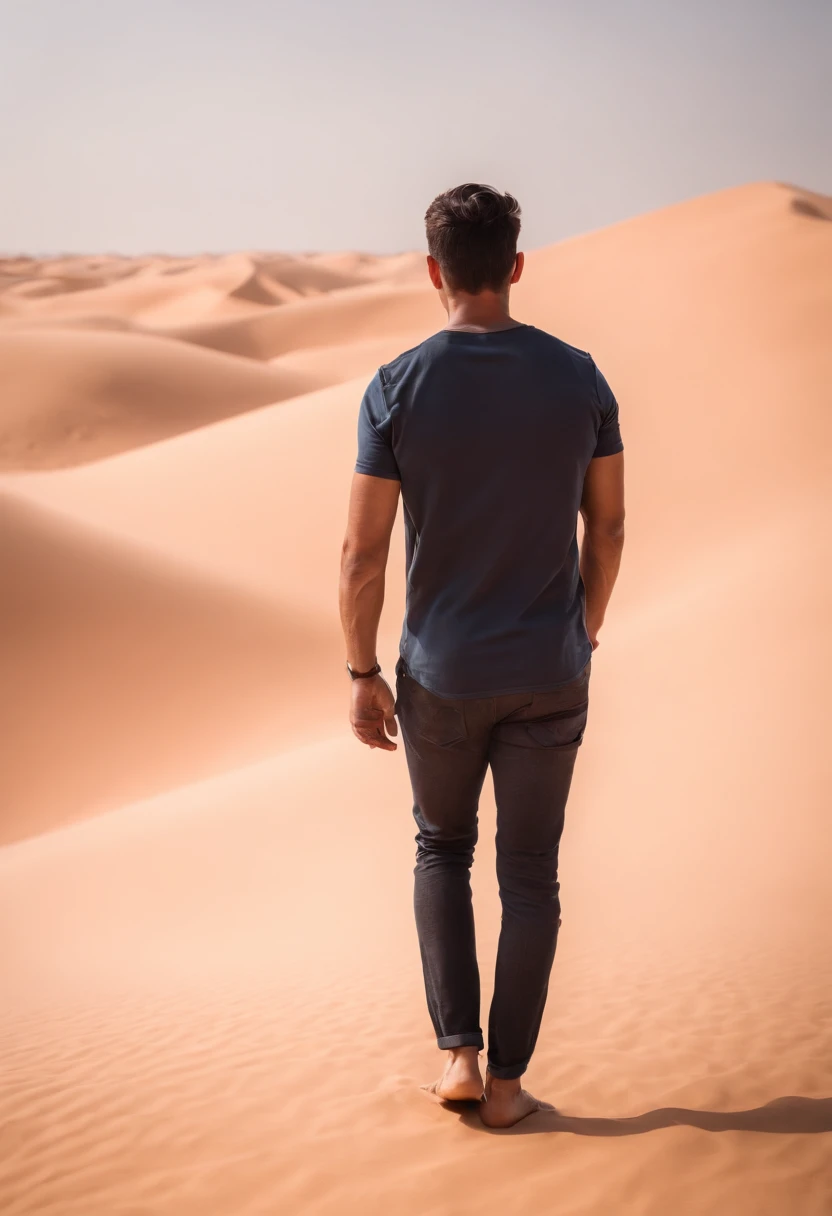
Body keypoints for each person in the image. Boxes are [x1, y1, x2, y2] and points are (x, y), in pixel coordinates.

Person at [338, 183, 625, 1128]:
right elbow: (609, 526)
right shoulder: (580, 376)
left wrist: (361, 672)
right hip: (549, 668)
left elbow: (362, 553)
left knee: (441, 849)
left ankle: (458, 1057)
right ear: (515, 265)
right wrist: (582, 629)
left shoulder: (396, 385)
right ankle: (508, 1087)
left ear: (433, 272)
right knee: (531, 873)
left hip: (442, 675)